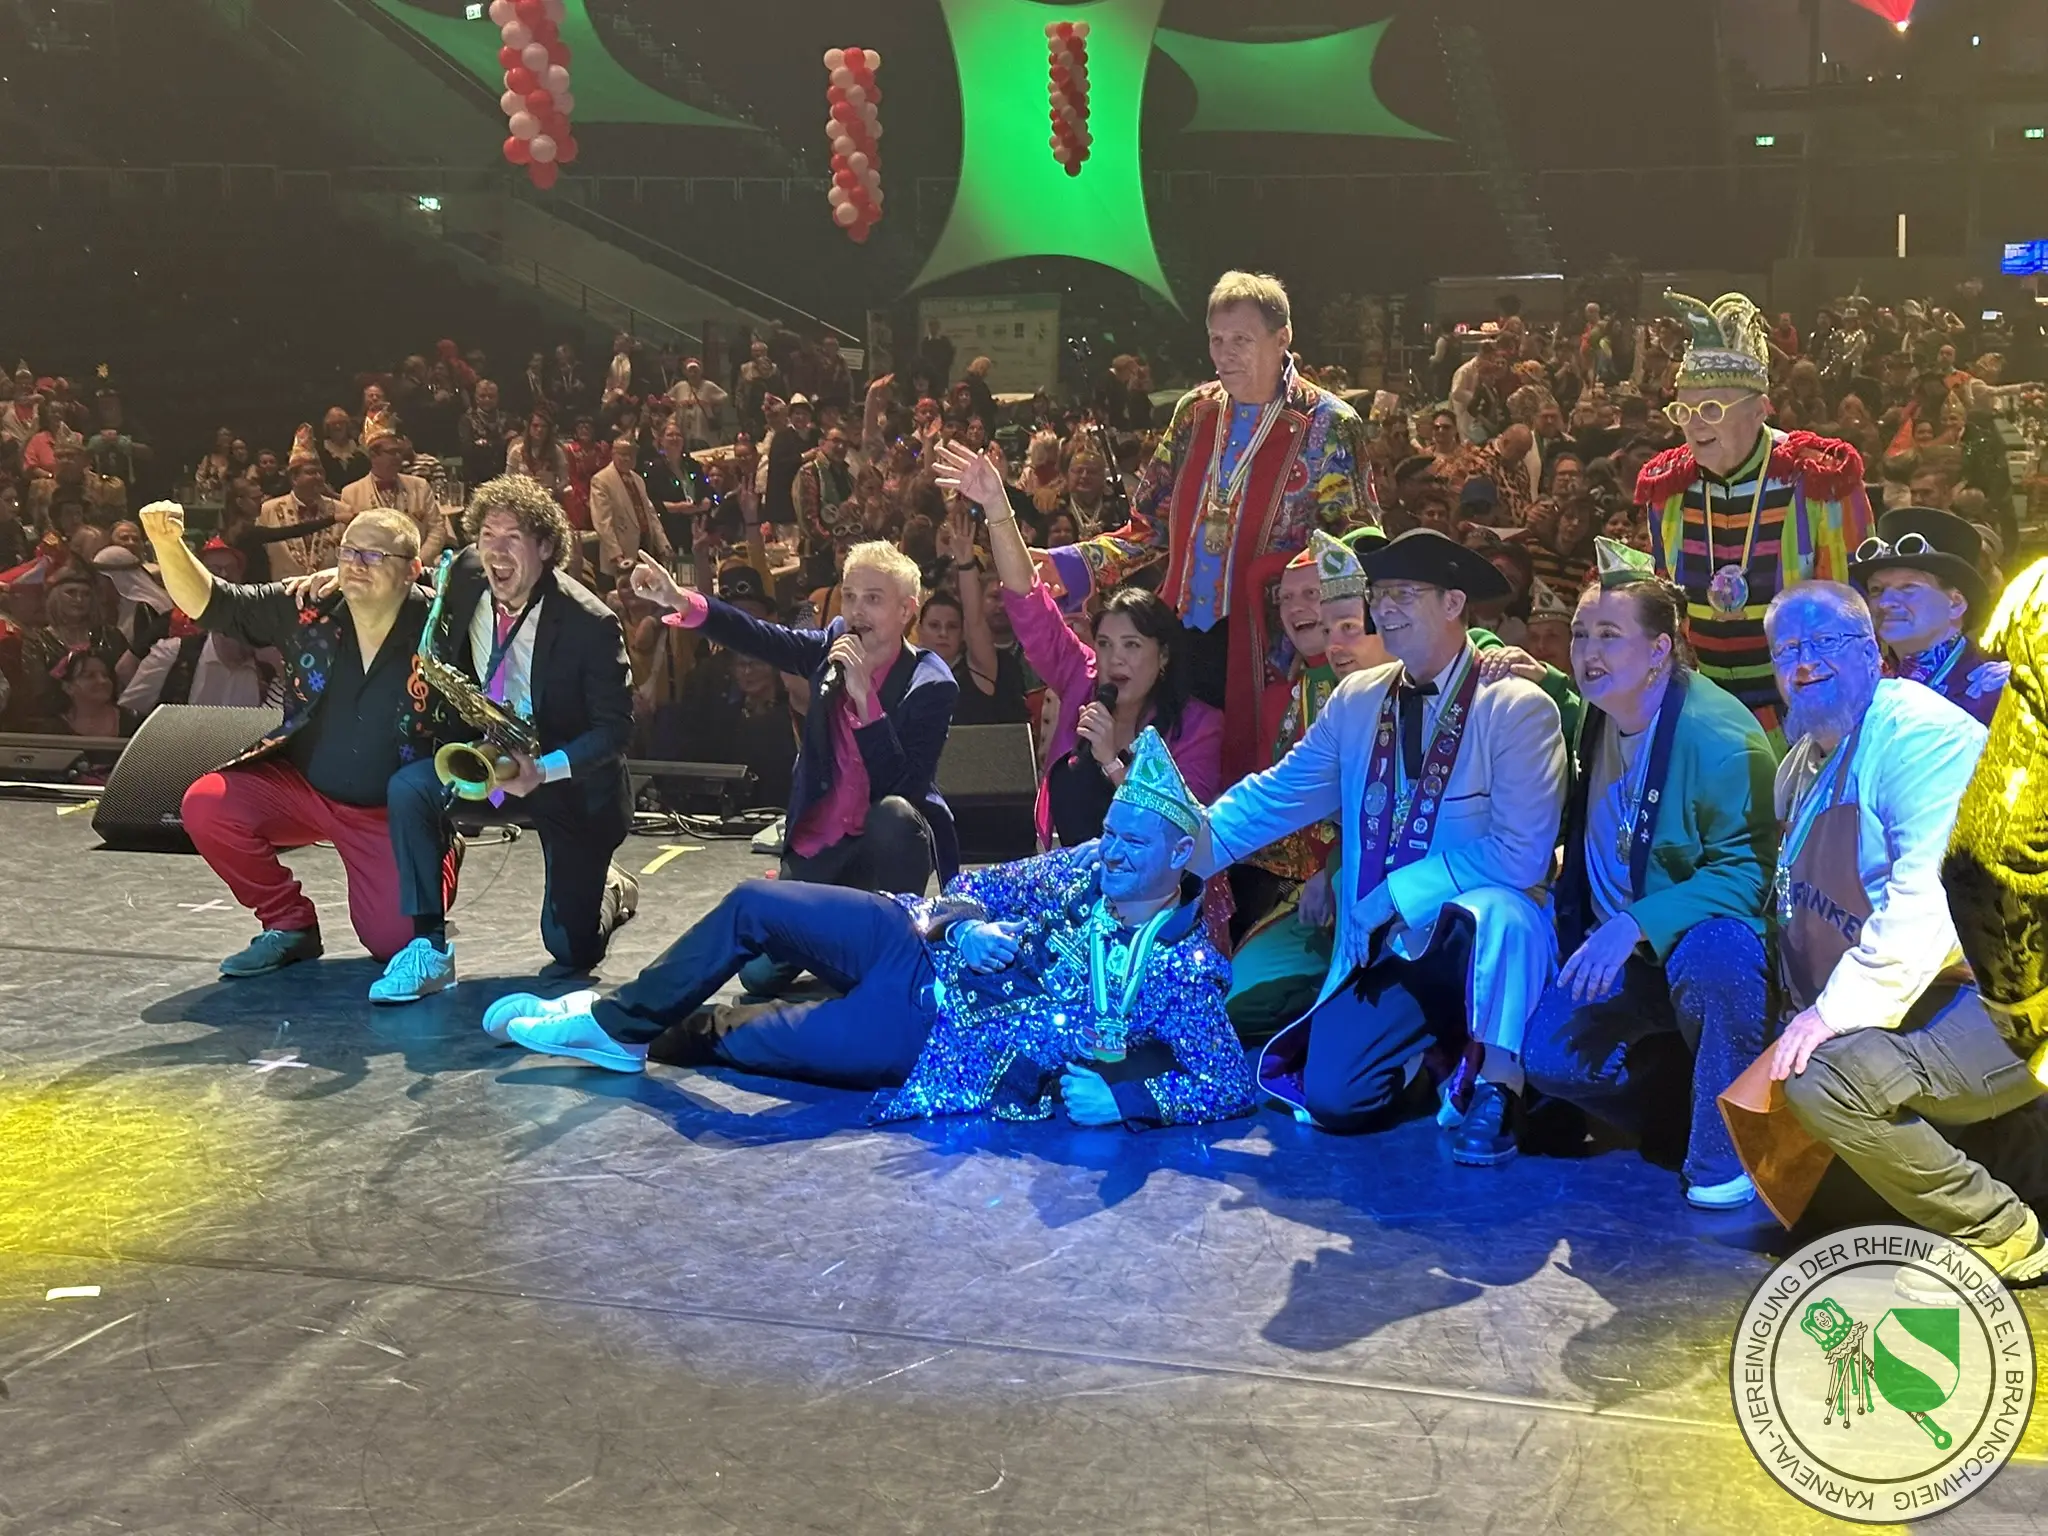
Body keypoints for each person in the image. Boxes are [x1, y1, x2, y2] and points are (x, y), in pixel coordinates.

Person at [484, 729, 1258, 1129]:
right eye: (1111, 832)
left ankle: (625, 1027)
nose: (1111, 852)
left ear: (1178, 854)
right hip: (912, 943)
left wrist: (1128, 1103)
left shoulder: (1185, 969)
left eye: (1133, 843)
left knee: (729, 1040)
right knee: (755, 903)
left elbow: (1226, 1081)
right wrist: (963, 930)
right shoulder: (1084, 866)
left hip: (930, 1038)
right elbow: (977, 884)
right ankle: (615, 1022)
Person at [1191, 529, 1568, 1163]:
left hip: (1476, 941)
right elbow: (1278, 794)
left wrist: (1396, 892)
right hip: (1390, 944)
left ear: (1454, 603)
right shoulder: (1358, 699)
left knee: (1503, 911)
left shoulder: (1516, 707)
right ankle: (1440, 1057)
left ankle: (1500, 1084)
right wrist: (1183, 850)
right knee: (1336, 1099)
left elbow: (1521, 854)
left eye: (1403, 594)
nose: (1384, 609)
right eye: (1380, 594)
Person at [1758, 583, 2045, 1283]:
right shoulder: (1801, 763)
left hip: (2013, 992)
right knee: (1825, 1207)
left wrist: (1830, 1013)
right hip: (1930, 993)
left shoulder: (1920, 733)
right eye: (1787, 649)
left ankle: (2002, 1233)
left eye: (1824, 642)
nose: (1804, 662)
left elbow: (1928, 898)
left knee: (1824, 1082)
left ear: (1871, 652)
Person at [1521, 539, 1778, 1209]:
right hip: (1628, 957)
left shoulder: (1720, 738)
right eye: (1580, 634)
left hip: (1686, 945)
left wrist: (1635, 923)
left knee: (1721, 955)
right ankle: (1679, 1110)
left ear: (1661, 649)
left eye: (1610, 635)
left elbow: (1749, 874)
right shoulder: (1600, 709)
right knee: (1549, 1059)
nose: (1588, 651)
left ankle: (1728, 1152)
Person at [1047, 272, 1371, 785]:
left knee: (1259, 788)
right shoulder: (1194, 412)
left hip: (1275, 650)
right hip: (1181, 639)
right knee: (1175, 780)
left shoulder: (1328, 423)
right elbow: (1149, 527)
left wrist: (1332, 640)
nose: (1225, 354)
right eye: (1216, 340)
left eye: (1241, 339)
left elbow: (1352, 549)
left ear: (1282, 338)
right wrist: (1068, 563)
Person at [137, 502, 456, 977]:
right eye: (348, 552)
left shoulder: (443, 621)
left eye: (373, 556)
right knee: (208, 804)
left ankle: (440, 851)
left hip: (390, 812)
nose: (356, 565)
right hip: (305, 788)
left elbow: (477, 574)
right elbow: (214, 603)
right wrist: (168, 544)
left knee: (393, 943)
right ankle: (289, 924)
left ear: (411, 570)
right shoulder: (306, 605)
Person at [376, 476, 637, 1003]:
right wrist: (325, 578)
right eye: (487, 535)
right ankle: (428, 945)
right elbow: (412, 588)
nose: (495, 551)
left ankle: (610, 887)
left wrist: (543, 769)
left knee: (571, 951)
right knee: (409, 789)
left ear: (546, 547)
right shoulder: (466, 573)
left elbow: (615, 730)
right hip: (490, 759)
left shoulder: (591, 623)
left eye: (512, 537)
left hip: (564, 780)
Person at [630, 538, 957, 898]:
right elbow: (759, 637)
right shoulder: (832, 646)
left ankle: (900, 919)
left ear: (906, 610)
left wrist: (866, 700)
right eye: (850, 596)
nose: (857, 611)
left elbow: (903, 788)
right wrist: (680, 599)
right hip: (824, 838)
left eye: (873, 599)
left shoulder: (929, 683)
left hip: (885, 845)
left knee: (892, 815)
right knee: (777, 923)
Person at [938, 442, 1222, 850]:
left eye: (1132, 645)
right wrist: (998, 507)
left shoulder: (1199, 726)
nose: (1115, 658)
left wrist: (1111, 762)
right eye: (1105, 644)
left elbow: (1185, 833)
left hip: (1155, 886)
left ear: (1162, 655)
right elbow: (1028, 600)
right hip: (1073, 874)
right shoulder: (1081, 679)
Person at [1638, 292, 1873, 741]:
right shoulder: (1667, 488)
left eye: (1711, 409)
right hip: (1702, 715)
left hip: (1808, 717)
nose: (1693, 424)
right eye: (1683, 410)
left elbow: (1855, 608)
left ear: (1760, 408)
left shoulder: (1819, 478)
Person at [1848, 506, 2008, 727]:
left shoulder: (1998, 693)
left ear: (1955, 603)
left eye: (1908, 587)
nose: (1885, 602)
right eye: (1876, 589)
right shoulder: (1861, 687)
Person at [120, 540, 278, 714]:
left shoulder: (266, 668)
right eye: (214, 570)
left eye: (231, 569)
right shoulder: (173, 648)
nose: (224, 575)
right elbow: (128, 702)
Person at [341, 412, 443, 565]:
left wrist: (418, 562)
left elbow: (437, 529)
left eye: (399, 452)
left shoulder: (420, 486)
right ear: (373, 456)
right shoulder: (351, 494)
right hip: (374, 570)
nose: (398, 457)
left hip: (417, 568)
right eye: (392, 453)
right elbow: (351, 542)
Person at [588, 434, 672, 589]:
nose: (627, 459)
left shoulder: (638, 480)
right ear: (613, 454)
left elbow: (651, 514)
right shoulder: (601, 480)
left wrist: (663, 544)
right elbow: (602, 523)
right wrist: (616, 555)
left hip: (645, 547)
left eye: (631, 455)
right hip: (621, 554)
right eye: (622, 454)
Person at [258, 433, 346, 579]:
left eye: (321, 472)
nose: (318, 477)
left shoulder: (341, 510)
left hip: (328, 589)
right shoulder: (268, 510)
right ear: (294, 478)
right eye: (311, 472)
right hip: (282, 589)